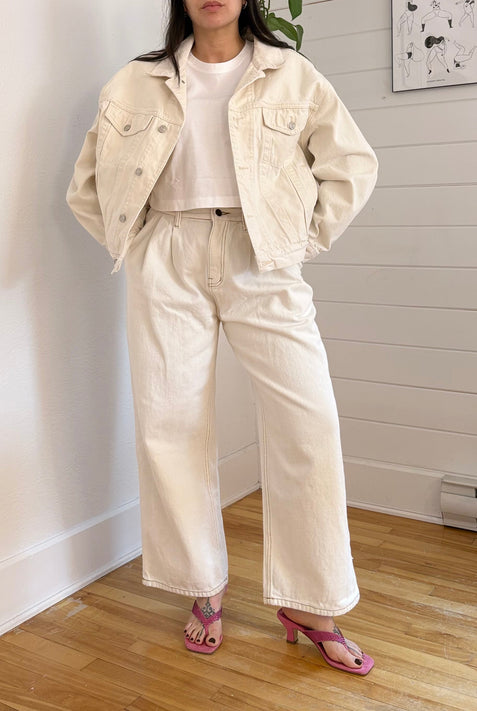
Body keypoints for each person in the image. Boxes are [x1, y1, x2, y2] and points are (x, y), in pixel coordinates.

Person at [66, 0, 378, 676]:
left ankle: (312, 603)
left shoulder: (289, 73)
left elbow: (352, 164)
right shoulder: (135, 82)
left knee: (307, 420)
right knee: (170, 422)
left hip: (260, 254)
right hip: (167, 251)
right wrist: (140, 242)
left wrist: (298, 240)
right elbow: (87, 185)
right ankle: (202, 585)